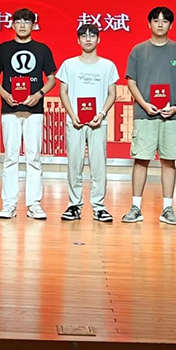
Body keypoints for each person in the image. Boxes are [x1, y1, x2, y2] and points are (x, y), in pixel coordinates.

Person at [121, 6, 176, 225]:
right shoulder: (138, 50)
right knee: (141, 160)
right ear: (149, 23)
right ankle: (135, 207)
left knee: (169, 161)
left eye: (165, 21)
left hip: (172, 116)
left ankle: (168, 209)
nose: (160, 24)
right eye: (156, 20)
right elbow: (131, 81)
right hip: (145, 114)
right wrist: (144, 104)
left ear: (171, 25)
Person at [0, 8, 57, 220]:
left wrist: (39, 94)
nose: (22, 25)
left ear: (33, 25)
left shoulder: (42, 49)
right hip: (10, 108)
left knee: (33, 156)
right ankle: (9, 204)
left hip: (34, 109)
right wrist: (4, 94)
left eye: (26, 22)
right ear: (12, 24)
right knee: (10, 157)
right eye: (18, 21)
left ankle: (34, 204)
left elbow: (52, 79)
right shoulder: (4, 48)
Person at [57, 24, 119, 223]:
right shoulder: (69, 65)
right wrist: (72, 114)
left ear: (99, 39)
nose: (88, 39)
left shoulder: (108, 66)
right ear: (78, 40)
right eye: (84, 36)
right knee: (74, 164)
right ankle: (74, 205)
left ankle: (99, 207)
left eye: (92, 36)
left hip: (98, 122)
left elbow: (112, 94)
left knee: (99, 165)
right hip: (74, 121)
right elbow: (63, 92)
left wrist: (101, 113)